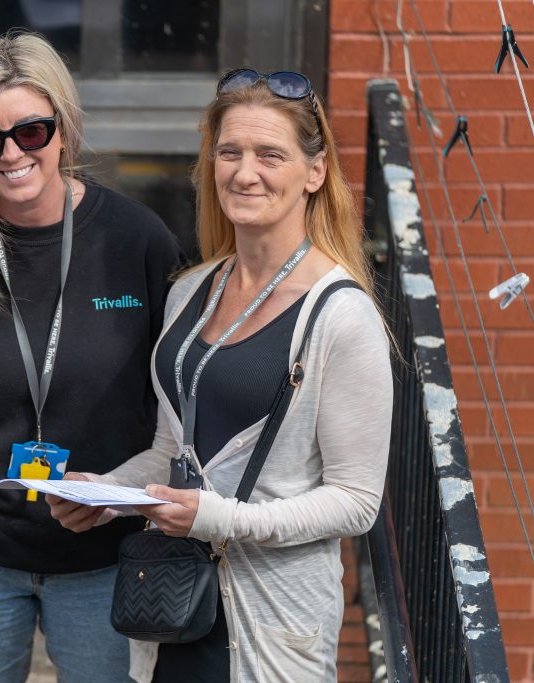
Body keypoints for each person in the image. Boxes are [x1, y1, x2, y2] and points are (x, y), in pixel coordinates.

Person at [49, 68, 393, 683]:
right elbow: (172, 451)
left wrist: (219, 519)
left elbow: (357, 502)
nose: (244, 171)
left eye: (270, 154)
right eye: (229, 152)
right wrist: (106, 495)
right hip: (174, 604)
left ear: (314, 172)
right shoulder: (192, 292)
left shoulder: (341, 314)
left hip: (271, 624)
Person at [0, 32, 183, 683]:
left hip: (108, 552)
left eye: (31, 131)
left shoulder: (139, 242)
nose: (11, 153)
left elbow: (171, 396)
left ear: (64, 130)